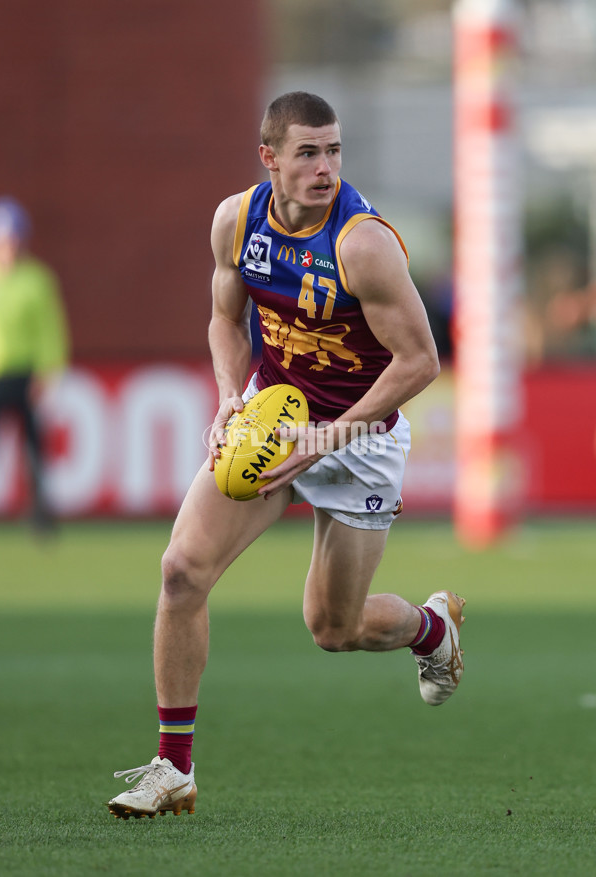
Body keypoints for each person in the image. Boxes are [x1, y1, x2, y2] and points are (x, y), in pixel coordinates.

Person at [107, 92, 466, 819]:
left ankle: (433, 628)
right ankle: (173, 766)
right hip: (275, 415)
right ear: (268, 157)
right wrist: (227, 397)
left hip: (359, 436)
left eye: (334, 151)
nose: (325, 167)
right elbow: (222, 316)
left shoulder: (362, 244)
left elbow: (421, 360)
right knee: (181, 571)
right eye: (308, 152)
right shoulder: (236, 221)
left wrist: (331, 437)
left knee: (334, 629)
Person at [0, 197, 70, 531]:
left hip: (24, 375)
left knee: (33, 449)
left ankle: (40, 512)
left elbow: (49, 330)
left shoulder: (37, 280)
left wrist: (48, 371)